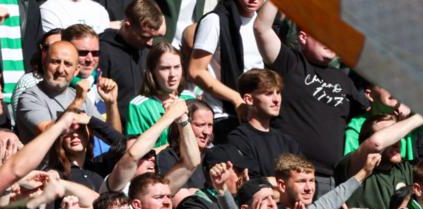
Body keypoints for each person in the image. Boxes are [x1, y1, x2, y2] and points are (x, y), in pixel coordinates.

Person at [253, 0, 367, 194]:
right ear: (303, 37)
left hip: (329, 182)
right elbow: (261, 28)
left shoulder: (343, 78)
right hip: (290, 176)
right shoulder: (290, 63)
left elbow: (371, 113)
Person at [187, 0, 261, 138]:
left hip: (257, 117)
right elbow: (196, 70)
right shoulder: (215, 20)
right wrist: (236, 98)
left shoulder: (264, 25)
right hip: (223, 116)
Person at [222, 67, 301, 179]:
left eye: (278, 92)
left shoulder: (288, 142)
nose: (276, 99)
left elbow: (303, 178)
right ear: (249, 99)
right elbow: (252, 183)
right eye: (268, 93)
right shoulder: (238, 139)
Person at [99, 0, 165, 120]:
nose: (150, 42)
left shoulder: (146, 51)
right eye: (145, 37)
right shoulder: (103, 50)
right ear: (127, 26)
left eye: (152, 37)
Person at [125, 42, 192, 148]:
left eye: (177, 67)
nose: (173, 74)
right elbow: (134, 152)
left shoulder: (189, 97)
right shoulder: (139, 106)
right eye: (165, 68)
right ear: (152, 71)